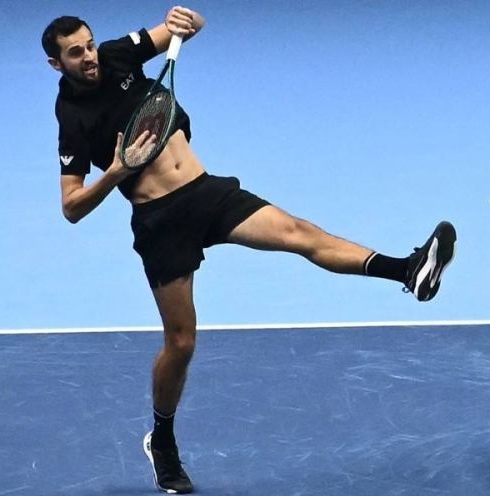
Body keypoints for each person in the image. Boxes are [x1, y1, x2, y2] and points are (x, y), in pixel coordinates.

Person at [42, 7, 457, 493]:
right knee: (181, 343)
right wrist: (115, 172)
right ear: (56, 64)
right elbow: (71, 206)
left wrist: (182, 20)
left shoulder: (118, 55)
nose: (89, 56)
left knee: (299, 232)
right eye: (76, 53)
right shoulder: (72, 116)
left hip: (205, 193)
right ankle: (163, 440)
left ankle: (407, 270)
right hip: (160, 222)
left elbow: (186, 28)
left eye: (89, 45)